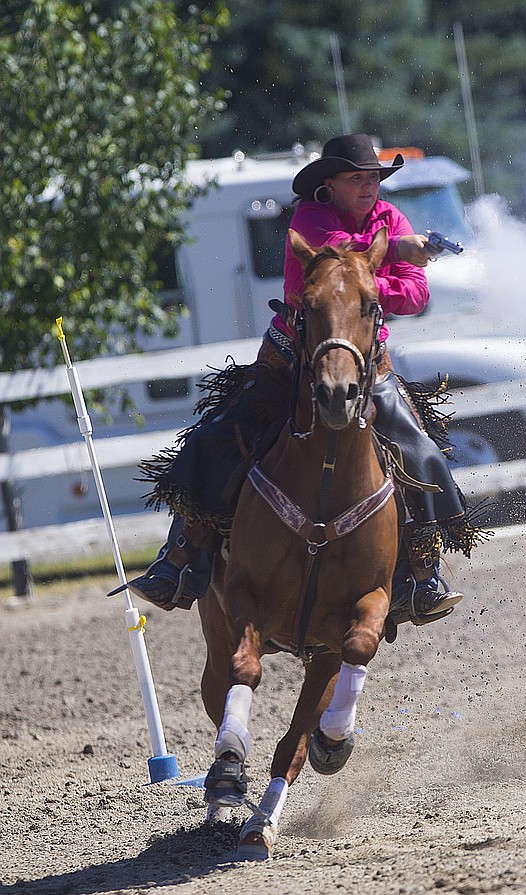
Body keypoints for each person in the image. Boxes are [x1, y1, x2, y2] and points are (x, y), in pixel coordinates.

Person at [117, 134, 485, 628]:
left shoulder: (390, 219)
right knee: (215, 438)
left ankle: (423, 571)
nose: (368, 185)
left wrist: (366, 288)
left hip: (365, 364)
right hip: (287, 361)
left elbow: (416, 295)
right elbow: (308, 278)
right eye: (356, 177)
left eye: (373, 177)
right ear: (329, 184)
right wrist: (390, 255)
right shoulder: (312, 220)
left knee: (420, 449)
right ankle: (180, 557)